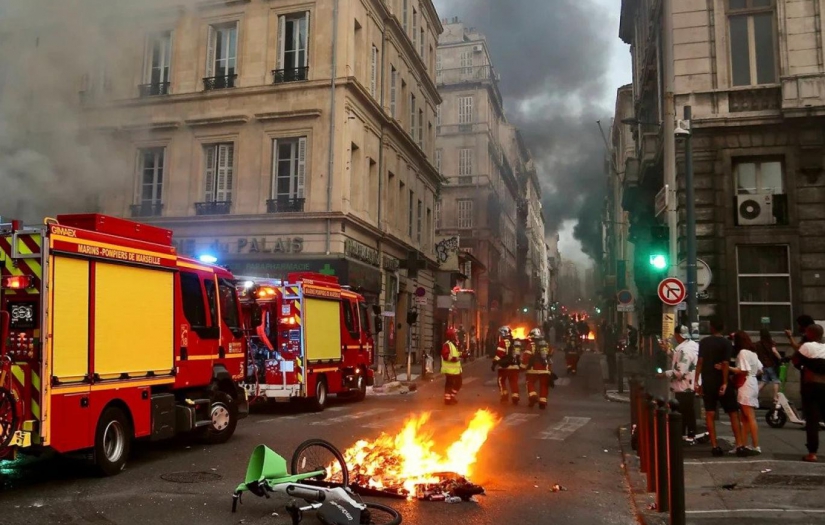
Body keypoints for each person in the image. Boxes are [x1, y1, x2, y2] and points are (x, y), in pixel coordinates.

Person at [696, 315, 746, 457]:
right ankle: (740, 444)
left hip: (708, 380)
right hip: (722, 381)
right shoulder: (726, 343)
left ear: (711, 327)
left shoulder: (704, 342)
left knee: (710, 414)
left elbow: (700, 361)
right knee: (733, 413)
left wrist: (696, 381)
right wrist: (724, 382)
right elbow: (725, 364)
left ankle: (714, 446)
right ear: (722, 328)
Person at [656, 325, 698, 440]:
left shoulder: (685, 350)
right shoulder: (692, 346)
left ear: (678, 335)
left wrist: (664, 374)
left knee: (684, 411)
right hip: (690, 384)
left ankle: (688, 435)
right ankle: (687, 434)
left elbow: (680, 372)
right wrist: (668, 351)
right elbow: (679, 359)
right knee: (687, 410)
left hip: (684, 385)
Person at [791, 323, 825, 462]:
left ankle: (812, 453)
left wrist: (804, 367)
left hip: (811, 385)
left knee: (812, 420)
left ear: (810, 334)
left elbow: (795, 360)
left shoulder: (806, 346)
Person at [729, 331, 762, 455]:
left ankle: (755, 445)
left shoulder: (742, 352)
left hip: (746, 384)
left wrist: (727, 368)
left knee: (749, 416)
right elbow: (760, 369)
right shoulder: (753, 353)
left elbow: (742, 370)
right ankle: (743, 444)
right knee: (745, 417)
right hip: (752, 383)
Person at [523, 328, 554, 409]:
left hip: (533, 369)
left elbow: (526, 357)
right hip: (545, 369)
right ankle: (543, 402)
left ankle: (533, 396)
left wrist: (523, 366)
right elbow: (551, 353)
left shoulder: (531, 345)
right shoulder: (546, 344)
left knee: (530, 382)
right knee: (544, 385)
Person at [492, 326, 521, 404]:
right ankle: (515, 396)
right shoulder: (515, 342)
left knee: (501, 381)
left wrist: (494, 363)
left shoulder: (503, 342)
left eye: (500, 333)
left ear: (503, 333)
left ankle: (504, 396)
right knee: (514, 382)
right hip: (514, 366)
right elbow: (518, 355)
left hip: (504, 367)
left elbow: (499, 355)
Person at [754, 328, 782, 401]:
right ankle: (775, 397)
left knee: (764, 381)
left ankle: (753, 395)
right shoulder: (770, 342)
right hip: (771, 364)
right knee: (776, 380)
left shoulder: (758, 344)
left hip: (763, 365)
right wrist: (781, 359)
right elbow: (774, 351)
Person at [441, 327, 462, 405]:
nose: (456, 336)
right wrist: (454, 359)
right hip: (450, 369)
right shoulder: (447, 344)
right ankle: (448, 399)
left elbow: (455, 354)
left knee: (457, 383)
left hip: (454, 370)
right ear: (452, 336)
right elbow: (446, 356)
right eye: (455, 334)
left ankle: (450, 397)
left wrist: (463, 354)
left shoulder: (453, 344)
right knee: (451, 383)